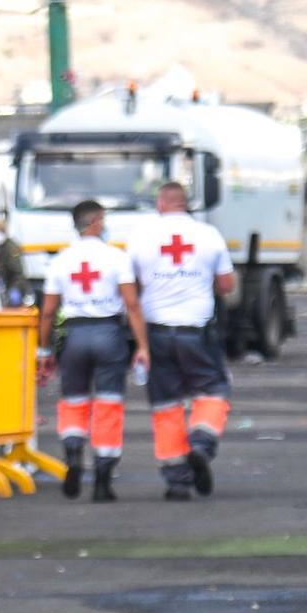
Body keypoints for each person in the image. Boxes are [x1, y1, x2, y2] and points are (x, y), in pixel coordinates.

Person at [128, 181, 235, 502]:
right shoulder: (209, 235)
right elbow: (227, 285)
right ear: (185, 204)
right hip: (196, 330)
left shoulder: (140, 237)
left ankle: (177, 480)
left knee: (166, 405)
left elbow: (129, 290)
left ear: (161, 203)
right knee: (214, 390)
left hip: (156, 332)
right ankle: (201, 443)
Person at [37, 200, 149, 502]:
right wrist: (142, 346)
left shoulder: (61, 260)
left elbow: (47, 312)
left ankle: (73, 453)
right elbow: (133, 305)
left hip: (74, 335)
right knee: (108, 404)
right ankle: (102, 477)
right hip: (109, 334)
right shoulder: (116, 257)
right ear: (96, 222)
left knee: (73, 401)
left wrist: (44, 349)